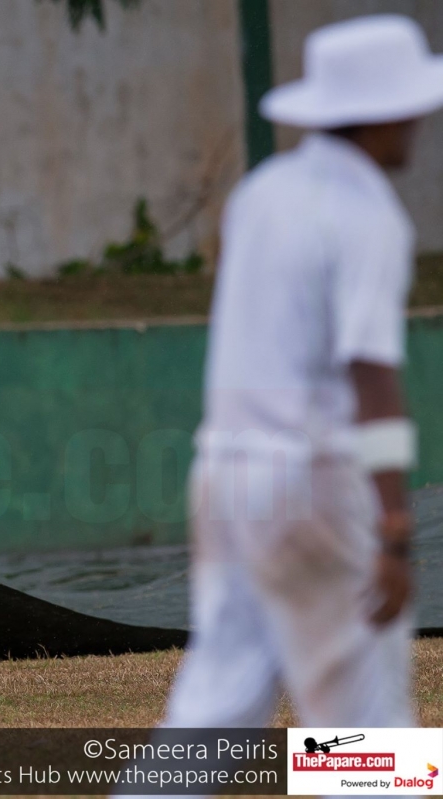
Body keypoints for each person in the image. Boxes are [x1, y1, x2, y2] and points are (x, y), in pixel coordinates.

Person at [161, 15, 443, 729]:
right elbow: (371, 373)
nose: (419, 125)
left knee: (214, 703)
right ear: (379, 116)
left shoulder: (261, 194)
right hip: (310, 484)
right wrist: (394, 526)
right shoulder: (368, 216)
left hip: (224, 476)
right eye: (409, 109)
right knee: (365, 722)